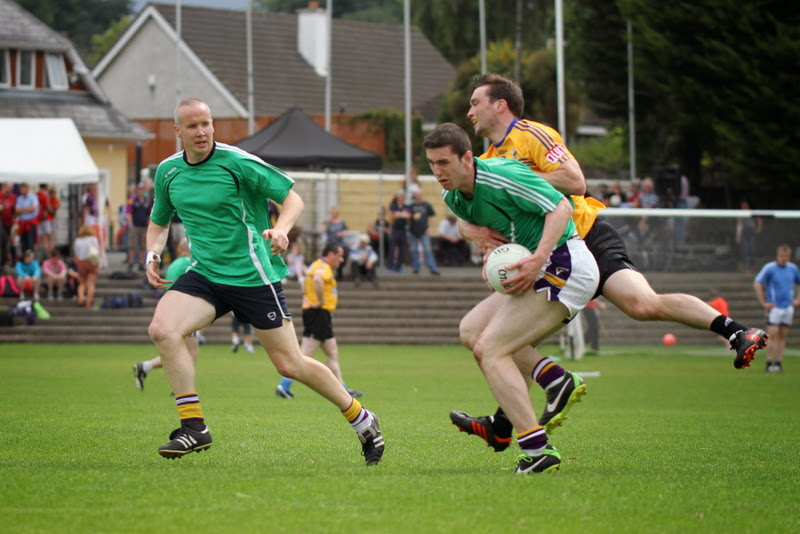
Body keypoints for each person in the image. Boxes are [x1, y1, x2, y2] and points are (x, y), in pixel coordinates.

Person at [449, 73, 768, 452]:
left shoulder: (530, 135)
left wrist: (519, 175)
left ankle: (735, 331)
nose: (470, 111)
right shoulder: (486, 160)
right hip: (548, 253)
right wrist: (477, 235)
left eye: (475, 102)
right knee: (512, 338)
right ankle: (505, 424)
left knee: (643, 304)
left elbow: (575, 180)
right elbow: (465, 209)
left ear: (499, 105)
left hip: (584, 238)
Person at [144, 98, 383, 464]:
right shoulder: (168, 172)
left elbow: (292, 198)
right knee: (162, 329)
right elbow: (159, 222)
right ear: (178, 131)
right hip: (206, 273)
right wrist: (153, 253)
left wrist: (282, 230)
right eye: (192, 126)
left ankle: (361, 418)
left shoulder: (236, 162)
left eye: (206, 123)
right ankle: (194, 428)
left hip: (252, 275)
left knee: (290, 365)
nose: (202, 131)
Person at [423, 123, 599, 474]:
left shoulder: (503, 174)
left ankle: (537, 451)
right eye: (431, 163)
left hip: (565, 262)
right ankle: (553, 378)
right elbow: (466, 222)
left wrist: (535, 260)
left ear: (468, 158)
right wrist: (486, 246)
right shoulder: (453, 195)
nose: (438, 171)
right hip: (540, 265)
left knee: (491, 349)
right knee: (471, 330)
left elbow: (561, 208)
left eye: (444, 162)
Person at [275, 242, 364, 399]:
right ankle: (284, 385)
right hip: (319, 313)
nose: (342, 259)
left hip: (316, 312)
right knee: (306, 353)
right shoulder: (323, 268)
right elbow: (317, 280)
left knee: (331, 352)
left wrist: (308, 298)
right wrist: (320, 301)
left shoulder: (314, 265)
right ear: (330, 255)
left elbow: (304, 282)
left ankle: (343, 390)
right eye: (340, 256)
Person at [133, 237, 198, 391]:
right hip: (185, 309)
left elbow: (165, 287)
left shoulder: (174, 264)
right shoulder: (189, 263)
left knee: (177, 350)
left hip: (172, 308)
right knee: (191, 352)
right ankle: (182, 388)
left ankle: (145, 367)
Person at [753, 245, 800, 373]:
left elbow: (798, 283)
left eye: (786, 256)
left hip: (788, 307)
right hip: (774, 308)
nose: (784, 258)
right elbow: (757, 283)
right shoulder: (770, 268)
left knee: (782, 335)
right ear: (778, 255)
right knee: (772, 334)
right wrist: (763, 302)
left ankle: (778, 363)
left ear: (789, 257)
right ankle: (769, 362)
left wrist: (797, 299)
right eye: (782, 256)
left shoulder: (793, 268)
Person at [407, 188, 440, 275]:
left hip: (424, 231)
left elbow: (433, 216)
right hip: (413, 231)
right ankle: (415, 268)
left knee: (427, 250)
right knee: (414, 250)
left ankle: (433, 268)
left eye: (420, 194)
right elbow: (408, 217)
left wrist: (430, 228)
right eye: (417, 194)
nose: (419, 196)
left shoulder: (426, 205)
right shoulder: (411, 206)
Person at [73, 225, 100, 309]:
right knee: (91, 283)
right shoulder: (93, 239)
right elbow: (97, 251)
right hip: (91, 261)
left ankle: (80, 297)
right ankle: (88, 302)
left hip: (81, 262)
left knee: (82, 283)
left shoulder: (77, 240)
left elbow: (76, 253)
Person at [127, 182, 152, 271]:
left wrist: (149, 225)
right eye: (139, 190)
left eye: (142, 190)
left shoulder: (147, 201)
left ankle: (141, 263)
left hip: (144, 226)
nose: (140, 192)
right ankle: (131, 263)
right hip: (135, 225)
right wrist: (130, 223)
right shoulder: (132, 200)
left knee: (143, 246)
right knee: (132, 245)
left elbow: (149, 213)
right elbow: (129, 212)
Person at [321, 206, 348, 280]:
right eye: (332, 213)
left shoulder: (341, 221)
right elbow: (323, 231)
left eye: (335, 213)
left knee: (339, 258)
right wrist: (326, 223)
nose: (333, 215)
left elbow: (345, 230)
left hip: (339, 243)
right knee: (330, 259)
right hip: (330, 244)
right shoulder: (328, 221)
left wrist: (342, 233)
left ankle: (340, 275)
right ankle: (329, 274)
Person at [387, 189, 410, 273]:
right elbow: (391, 217)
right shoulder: (393, 205)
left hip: (403, 229)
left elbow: (408, 216)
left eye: (403, 196)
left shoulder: (406, 206)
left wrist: (398, 214)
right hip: (395, 229)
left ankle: (399, 267)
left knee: (402, 249)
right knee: (392, 249)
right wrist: (402, 214)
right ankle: (390, 266)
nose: (402, 197)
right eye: (401, 196)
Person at [736, 200, 762, 273]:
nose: (744, 206)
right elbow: (739, 224)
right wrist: (738, 235)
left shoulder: (753, 212)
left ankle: (752, 266)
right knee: (746, 251)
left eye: (745, 204)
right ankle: (748, 268)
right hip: (744, 235)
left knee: (752, 251)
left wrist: (759, 228)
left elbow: (759, 219)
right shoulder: (740, 214)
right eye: (742, 205)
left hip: (752, 234)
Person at [14, 183, 39, 255]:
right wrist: (28, 209)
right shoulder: (19, 198)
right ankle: (24, 259)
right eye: (20, 188)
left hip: (30, 223)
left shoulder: (33, 197)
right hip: (22, 223)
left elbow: (34, 208)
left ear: (27, 188)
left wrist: (23, 210)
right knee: (23, 243)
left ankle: (31, 259)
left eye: (22, 188)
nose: (21, 190)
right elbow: (17, 210)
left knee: (31, 242)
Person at [0, 182, 17, 266]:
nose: (10, 190)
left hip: (9, 223)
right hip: (1, 222)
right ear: (3, 187)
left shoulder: (13, 197)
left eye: (11, 188)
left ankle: (5, 261)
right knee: (2, 240)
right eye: (9, 188)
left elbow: (15, 210)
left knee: (7, 242)